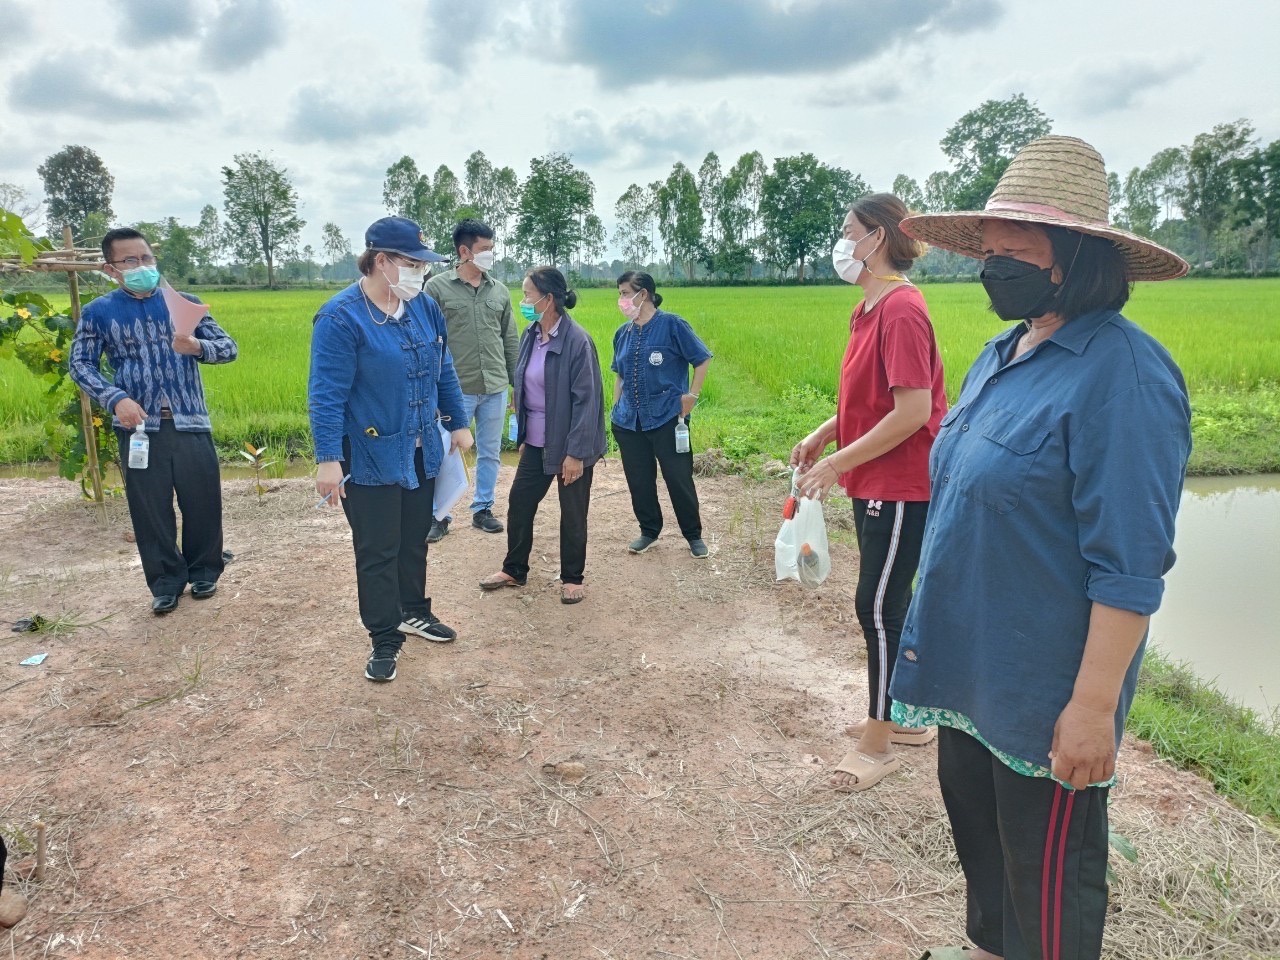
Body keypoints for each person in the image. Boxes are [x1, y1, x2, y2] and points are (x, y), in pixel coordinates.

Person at [890, 136, 1192, 960]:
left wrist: (1092, 710)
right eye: (987, 251)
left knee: (1048, 889)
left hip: (1043, 695)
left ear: (1074, 258)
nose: (993, 267)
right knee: (986, 864)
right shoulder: (1002, 354)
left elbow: (1128, 565)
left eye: (1013, 251)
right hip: (967, 672)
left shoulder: (1123, 376)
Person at [791, 194, 947, 792]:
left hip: (901, 483)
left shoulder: (902, 310)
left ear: (878, 237)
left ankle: (878, 743)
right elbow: (873, 399)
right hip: (873, 476)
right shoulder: (868, 310)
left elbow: (911, 413)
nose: (843, 243)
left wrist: (835, 465)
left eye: (849, 232)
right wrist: (826, 431)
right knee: (889, 603)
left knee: (877, 607)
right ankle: (903, 719)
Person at [309, 216, 474, 683]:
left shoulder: (422, 307)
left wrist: (458, 421)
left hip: (421, 447)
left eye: (423, 264)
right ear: (381, 261)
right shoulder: (341, 317)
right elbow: (326, 394)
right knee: (378, 547)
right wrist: (327, 458)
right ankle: (384, 634)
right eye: (412, 262)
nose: (421, 272)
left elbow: (445, 368)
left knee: (414, 537)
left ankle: (414, 610)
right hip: (369, 455)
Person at [69, 227, 238, 615]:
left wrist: (198, 346)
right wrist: (116, 399)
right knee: (149, 508)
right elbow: (80, 364)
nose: (141, 266)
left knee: (203, 501)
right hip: (138, 427)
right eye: (130, 260)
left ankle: (204, 571)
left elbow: (229, 349)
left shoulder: (183, 304)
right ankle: (165, 581)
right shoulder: (99, 312)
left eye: (146, 258)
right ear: (110, 269)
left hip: (190, 422)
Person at [479, 267, 605, 604]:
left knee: (573, 511)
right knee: (520, 502)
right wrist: (521, 435)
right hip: (535, 441)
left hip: (569, 443)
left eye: (527, 294)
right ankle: (514, 569)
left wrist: (576, 453)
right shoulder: (530, 335)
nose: (523, 301)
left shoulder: (577, 341)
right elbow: (522, 386)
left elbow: (587, 401)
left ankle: (572, 578)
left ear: (548, 299)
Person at [424, 219, 518, 542]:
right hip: (455, 389)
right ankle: (441, 514)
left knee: (490, 451)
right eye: (485, 249)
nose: (490, 254)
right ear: (465, 251)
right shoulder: (436, 288)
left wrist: (516, 385)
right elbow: (428, 340)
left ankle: (483, 509)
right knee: (446, 451)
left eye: (491, 249)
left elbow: (510, 340)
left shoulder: (500, 291)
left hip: (495, 385)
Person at [610, 272, 713, 558]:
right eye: (619, 293)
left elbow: (702, 358)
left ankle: (693, 535)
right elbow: (618, 374)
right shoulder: (623, 333)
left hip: (668, 417)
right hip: (630, 421)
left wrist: (691, 396)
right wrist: (616, 407)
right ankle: (649, 530)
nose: (621, 300)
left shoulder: (672, 325)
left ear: (642, 294)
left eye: (624, 292)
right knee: (639, 480)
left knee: (678, 478)